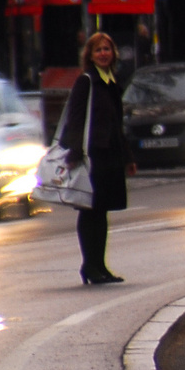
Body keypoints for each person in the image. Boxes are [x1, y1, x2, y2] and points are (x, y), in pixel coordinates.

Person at [60, 32, 136, 284]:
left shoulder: (111, 82)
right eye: (98, 50)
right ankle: (89, 266)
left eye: (107, 49)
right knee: (90, 210)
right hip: (92, 156)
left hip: (110, 154)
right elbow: (76, 118)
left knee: (101, 211)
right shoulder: (87, 81)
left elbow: (117, 123)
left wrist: (127, 157)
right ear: (90, 56)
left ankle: (100, 266)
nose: (103, 54)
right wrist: (75, 152)